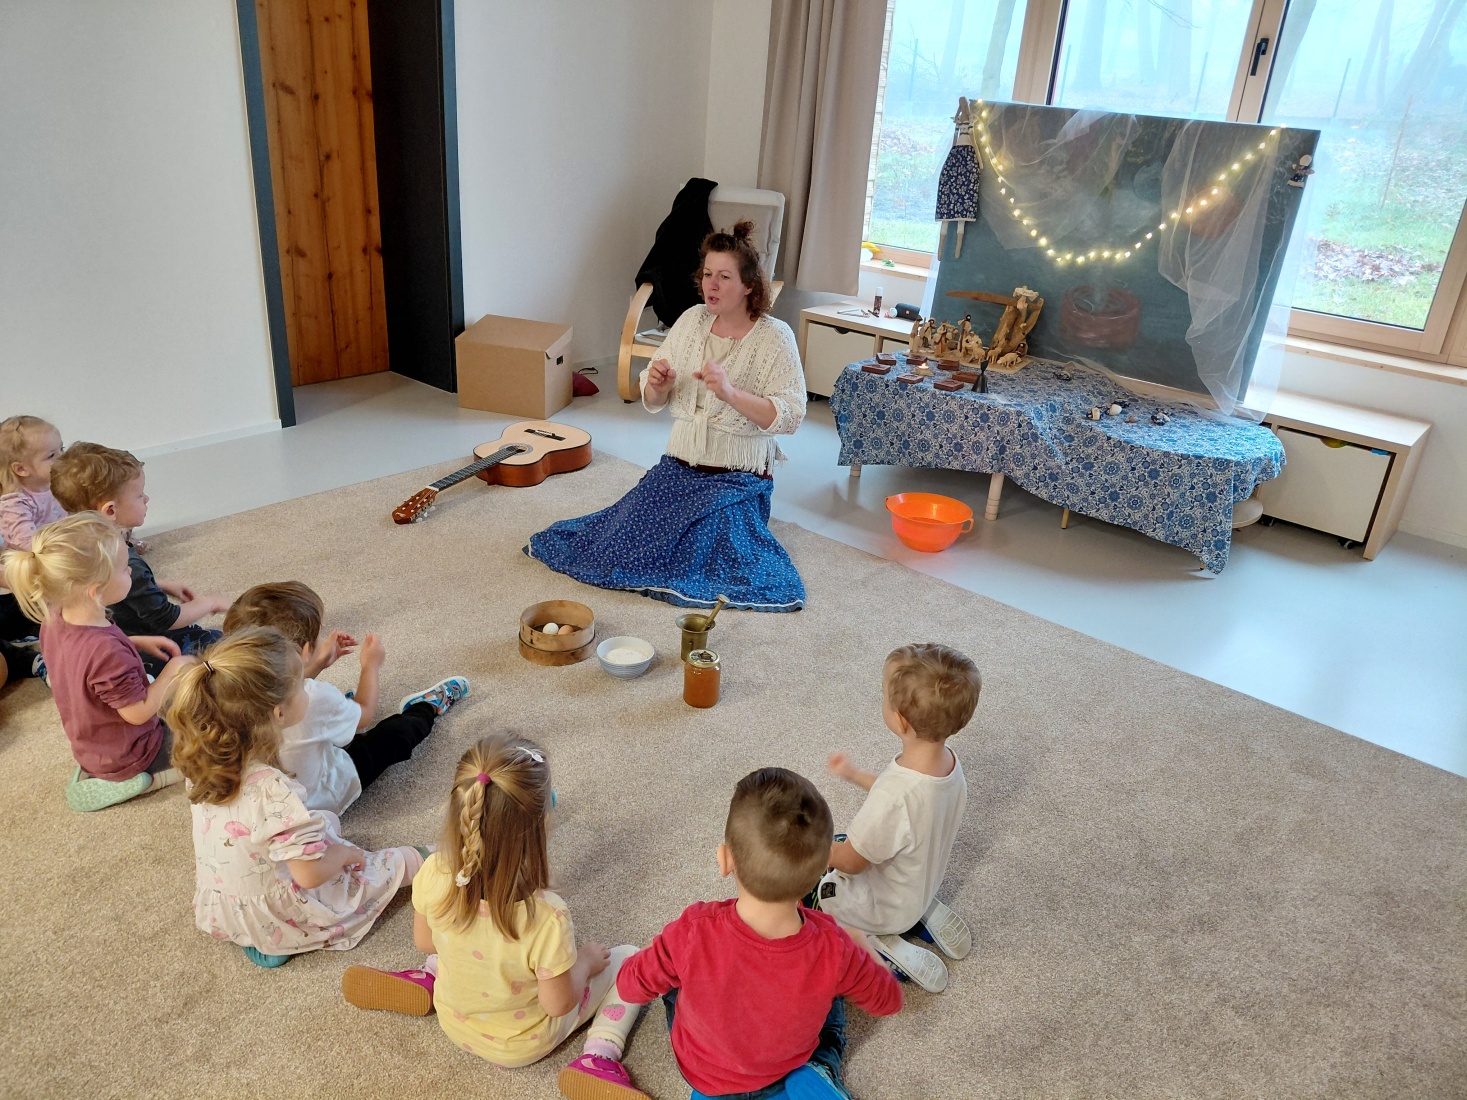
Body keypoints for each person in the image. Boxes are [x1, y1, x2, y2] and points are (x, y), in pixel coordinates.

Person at [339, 733, 651, 1100]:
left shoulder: (434, 870)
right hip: (520, 1044)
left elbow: (424, 941)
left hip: (454, 1022)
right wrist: (583, 963)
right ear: (540, 824)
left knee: (453, 940)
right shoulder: (547, 916)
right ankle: (599, 1056)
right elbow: (558, 1003)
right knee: (630, 960)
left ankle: (427, 978)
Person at [527, 220, 807, 612]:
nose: (711, 285)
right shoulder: (691, 321)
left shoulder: (775, 337)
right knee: (626, 534)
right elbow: (653, 396)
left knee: (709, 547)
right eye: (707, 274)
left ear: (749, 285)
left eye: (724, 277)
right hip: (680, 466)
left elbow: (791, 416)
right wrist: (658, 383)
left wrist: (730, 393)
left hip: (738, 478)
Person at [615, 767, 902, 1099]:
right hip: (784, 1070)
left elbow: (628, 986)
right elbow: (888, 1001)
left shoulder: (694, 929)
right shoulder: (833, 946)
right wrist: (862, 947)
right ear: (823, 870)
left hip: (704, 1073)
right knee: (833, 1003)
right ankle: (820, 1067)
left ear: (725, 860)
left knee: (673, 984)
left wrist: (661, 955)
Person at [167, 626, 424, 968]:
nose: (307, 690)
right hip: (283, 907)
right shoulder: (271, 788)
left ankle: (259, 934)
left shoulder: (202, 764)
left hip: (225, 911)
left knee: (324, 823)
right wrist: (345, 854)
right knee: (401, 862)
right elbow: (309, 875)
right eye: (303, 686)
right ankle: (280, 932)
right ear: (278, 714)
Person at [222, 581, 469, 815]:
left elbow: (279, 687)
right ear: (304, 651)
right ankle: (426, 707)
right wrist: (370, 666)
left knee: (327, 719)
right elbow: (365, 713)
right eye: (316, 637)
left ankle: (339, 718)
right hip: (320, 797)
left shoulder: (223, 692)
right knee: (395, 736)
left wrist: (317, 664)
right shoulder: (317, 696)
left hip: (270, 806)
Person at [817, 643, 981, 994]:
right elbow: (901, 800)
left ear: (901, 720)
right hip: (921, 885)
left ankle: (879, 941)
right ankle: (922, 911)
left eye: (884, 697)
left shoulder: (894, 797)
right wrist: (854, 774)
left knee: (826, 895)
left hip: (885, 906)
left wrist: (819, 849)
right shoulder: (948, 765)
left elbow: (853, 862)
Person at [1, 512, 191, 810]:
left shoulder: (54, 618)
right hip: (134, 752)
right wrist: (174, 671)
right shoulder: (105, 651)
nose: (131, 571)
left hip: (93, 745)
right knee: (211, 746)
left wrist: (135, 642)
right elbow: (137, 713)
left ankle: (100, 770)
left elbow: (82, 659)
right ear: (96, 590)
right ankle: (145, 778)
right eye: (124, 569)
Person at [49, 442, 231, 674]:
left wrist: (160, 585)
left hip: (109, 634)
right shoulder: (127, 562)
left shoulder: (81, 544)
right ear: (110, 511)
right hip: (137, 644)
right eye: (139, 495)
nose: (147, 499)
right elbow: (166, 618)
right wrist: (209, 603)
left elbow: (114, 586)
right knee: (221, 646)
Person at [0, 415, 66, 688]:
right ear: (21, 468)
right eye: (52, 455)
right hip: (20, 584)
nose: (62, 459)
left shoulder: (53, 485)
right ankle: (27, 632)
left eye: (62, 449)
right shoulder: (13, 502)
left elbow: (69, 517)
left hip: (50, 561)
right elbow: (29, 544)